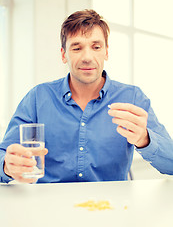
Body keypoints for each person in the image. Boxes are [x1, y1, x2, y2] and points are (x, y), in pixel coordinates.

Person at [0, 9, 173, 184]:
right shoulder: (38, 98)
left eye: (96, 47)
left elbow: (171, 164)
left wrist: (145, 139)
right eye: (77, 48)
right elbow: (3, 155)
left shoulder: (132, 97)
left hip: (113, 207)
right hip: (49, 207)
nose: (87, 57)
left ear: (106, 52)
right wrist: (8, 166)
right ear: (63, 54)